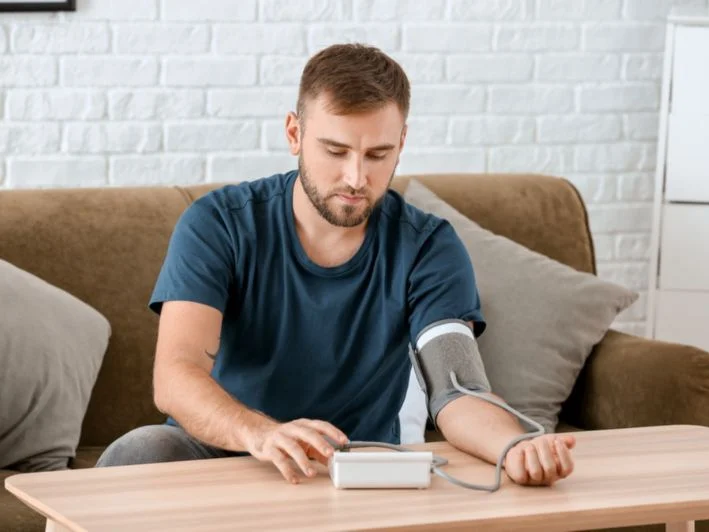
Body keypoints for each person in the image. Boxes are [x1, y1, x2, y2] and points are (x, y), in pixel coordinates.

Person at [96, 43, 575, 487]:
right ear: (294, 133)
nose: (356, 178)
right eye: (336, 151)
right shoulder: (217, 224)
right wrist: (261, 434)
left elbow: (458, 392)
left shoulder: (429, 247)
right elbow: (176, 375)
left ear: (402, 142)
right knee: (141, 450)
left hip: (355, 464)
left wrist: (515, 447)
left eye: (378, 155)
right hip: (225, 449)